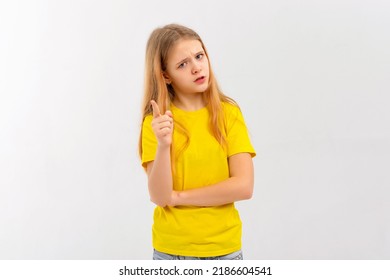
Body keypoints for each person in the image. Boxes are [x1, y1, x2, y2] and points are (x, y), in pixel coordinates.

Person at [139, 24, 256, 260]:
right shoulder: (157, 123)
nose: (196, 68)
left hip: (225, 250)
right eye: (182, 64)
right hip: (172, 252)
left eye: (199, 56)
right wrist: (163, 145)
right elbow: (160, 197)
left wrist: (179, 197)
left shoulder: (228, 114)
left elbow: (244, 186)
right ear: (166, 76)